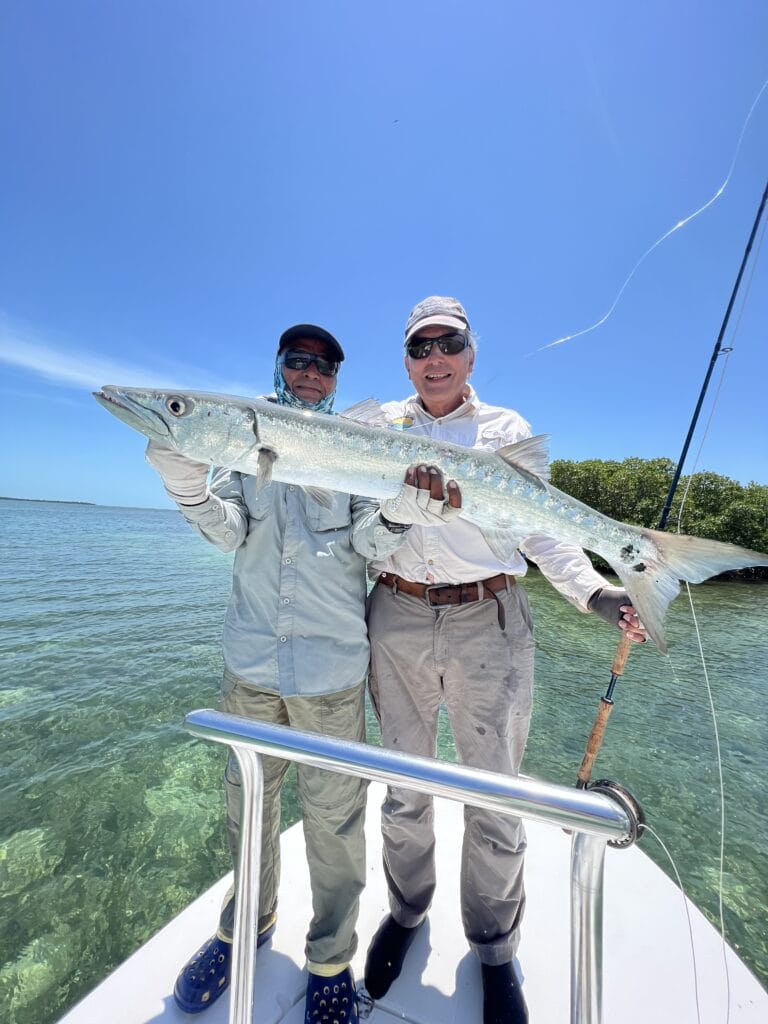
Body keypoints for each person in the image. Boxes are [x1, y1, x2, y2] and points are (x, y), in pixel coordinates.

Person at [363, 296, 647, 1024]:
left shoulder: (505, 431)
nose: (434, 357)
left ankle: (493, 947)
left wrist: (597, 595)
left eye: (447, 343)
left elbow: (543, 532)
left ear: (470, 351)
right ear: (406, 359)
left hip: (489, 617)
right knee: (402, 784)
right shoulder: (374, 426)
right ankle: (406, 911)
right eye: (420, 345)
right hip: (393, 611)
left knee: (496, 791)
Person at [145, 324, 409, 1023]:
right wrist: (189, 491)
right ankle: (244, 928)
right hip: (252, 665)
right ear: (280, 366)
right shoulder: (237, 430)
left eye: (325, 365)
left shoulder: (359, 443)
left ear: (336, 378)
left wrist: (406, 516)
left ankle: (329, 960)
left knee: (335, 827)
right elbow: (231, 531)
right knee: (247, 812)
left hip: (331, 670)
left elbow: (367, 540)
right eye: (298, 360)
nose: (311, 372)